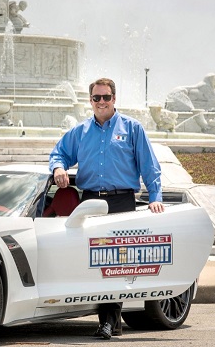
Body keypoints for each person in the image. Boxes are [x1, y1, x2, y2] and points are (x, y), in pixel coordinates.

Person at [48, 77, 165, 340]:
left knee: (114, 262)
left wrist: (155, 197)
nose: (101, 102)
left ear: (114, 99)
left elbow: (150, 166)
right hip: (89, 202)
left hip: (122, 201)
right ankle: (111, 320)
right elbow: (59, 153)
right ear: (90, 101)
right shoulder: (80, 132)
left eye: (106, 97)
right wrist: (58, 168)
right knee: (95, 261)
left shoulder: (132, 129)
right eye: (96, 98)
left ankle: (108, 323)